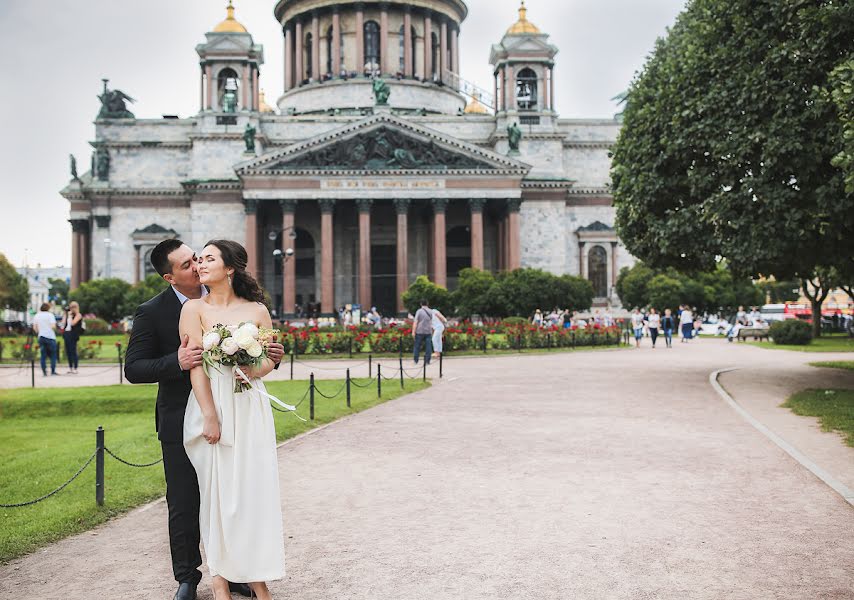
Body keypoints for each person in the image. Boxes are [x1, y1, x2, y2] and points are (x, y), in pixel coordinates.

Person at [125, 239, 283, 600]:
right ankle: (188, 578)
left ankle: (241, 571)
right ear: (170, 277)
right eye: (187, 264)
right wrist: (176, 363)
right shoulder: (156, 311)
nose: (196, 266)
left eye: (199, 258)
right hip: (184, 413)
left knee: (238, 493)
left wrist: (271, 357)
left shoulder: (249, 307)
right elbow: (133, 368)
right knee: (184, 501)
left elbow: (260, 357)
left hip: (241, 407)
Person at [180, 240, 285, 600]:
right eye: (199, 259)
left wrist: (260, 363)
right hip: (213, 406)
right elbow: (196, 369)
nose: (200, 264)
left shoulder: (258, 310)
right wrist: (209, 416)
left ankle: (257, 576)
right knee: (218, 494)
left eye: (209, 259)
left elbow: (269, 360)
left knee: (253, 492)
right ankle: (220, 579)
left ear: (229, 269)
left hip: (250, 407)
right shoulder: (193, 309)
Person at [32, 302, 58, 376]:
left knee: (43, 355)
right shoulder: (50, 315)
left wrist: (39, 331)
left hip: (41, 337)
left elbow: (35, 328)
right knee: (53, 355)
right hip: (50, 337)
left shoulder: (37, 315)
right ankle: (53, 371)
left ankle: (44, 371)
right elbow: (53, 326)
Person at [60, 301, 84, 374]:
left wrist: (70, 316)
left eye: (73, 307)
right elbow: (63, 323)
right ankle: (70, 367)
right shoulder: (67, 314)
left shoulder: (78, 315)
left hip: (73, 334)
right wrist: (65, 314)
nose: (71, 309)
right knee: (68, 351)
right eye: (71, 307)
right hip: (67, 333)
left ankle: (75, 367)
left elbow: (73, 323)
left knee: (73, 350)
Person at [412, 299, 433, 365]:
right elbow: (432, 322)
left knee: (417, 346)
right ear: (427, 303)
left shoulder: (419, 311)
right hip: (428, 331)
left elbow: (416, 322)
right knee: (428, 346)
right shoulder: (431, 311)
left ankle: (416, 360)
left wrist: (413, 331)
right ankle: (427, 360)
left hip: (419, 331)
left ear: (421, 304)